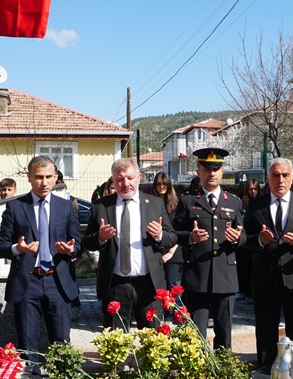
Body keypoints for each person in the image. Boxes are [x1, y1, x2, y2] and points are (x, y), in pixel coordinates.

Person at [243, 158, 293, 379]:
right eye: (276, 175)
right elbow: (244, 238)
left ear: (292, 178)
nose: (281, 180)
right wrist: (258, 240)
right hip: (265, 278)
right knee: (265, 331)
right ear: (268, 178)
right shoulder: (256, 205)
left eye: (285, 175)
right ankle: (267, 377)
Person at [0, 156, 81, 355]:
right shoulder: (16, 207)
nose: (44, 182)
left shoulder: (65, 207)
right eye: (39, 177)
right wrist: (19, 248)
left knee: (61, 342)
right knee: (27, 342)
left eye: (49, 176)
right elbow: (1, 246)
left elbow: (78, 244)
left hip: (58, 281)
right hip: (28, 282)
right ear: (29, 178)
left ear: (55, 177)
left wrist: (70, 250)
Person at [84, 159, 174, 329]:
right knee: (116, 343)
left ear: (139, 177)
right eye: (119, 179)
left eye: (130, 178)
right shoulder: (101, 206)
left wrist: (160, 235)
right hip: (115, 284)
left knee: (153, 341)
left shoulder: (154, 204)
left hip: (148, 284)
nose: (125, 183)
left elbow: (172, 237)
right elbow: (88, 242)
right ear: (113, 180)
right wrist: (100, 237)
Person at [173, 148, 246, 349]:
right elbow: (174, 233)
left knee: (224, 329)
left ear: (223, 172)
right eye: (207, 169)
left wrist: (237, 239)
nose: (212, 173)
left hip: (225, 275)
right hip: (198, 275)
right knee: (196, 330)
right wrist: (190, 237)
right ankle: (199, 372)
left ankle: (224, 368)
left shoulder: (234, 202)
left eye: (216, 168)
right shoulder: (188, 202)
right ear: (198, 171)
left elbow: (244, 235)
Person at [152, 172, 182, 288]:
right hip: (156, 250)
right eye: (159, 184)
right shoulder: (150, 203)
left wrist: (170, 252)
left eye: (164, 184)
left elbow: (179, 230)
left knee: (171, 284)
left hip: (173, 250)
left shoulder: (177, 205)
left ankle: (171, 306)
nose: (162, 186)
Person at [235, 178, 262, 302]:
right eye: (250, 189)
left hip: (256, 237)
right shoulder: (241, 203)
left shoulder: (261, 202)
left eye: (255, 189)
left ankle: (251, 291)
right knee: (243, 266)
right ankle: (243, 290)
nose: (253, 192)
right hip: (243, 238)